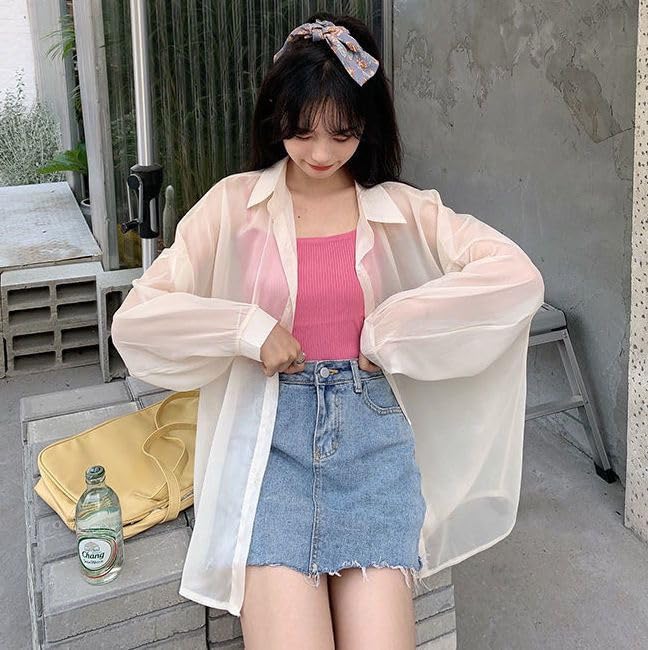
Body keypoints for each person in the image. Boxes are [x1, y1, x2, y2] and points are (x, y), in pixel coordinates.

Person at [110, 12, 545, 650]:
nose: (320, 153)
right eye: (302, 131)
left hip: (374, 444)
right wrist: (246, 327)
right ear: (276, 118)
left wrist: (394, 326)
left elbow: (515, 276)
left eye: (342, 133)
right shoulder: (233, 206)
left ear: (368, 124)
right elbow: (138, 320)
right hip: (269, 445)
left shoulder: (402, 209)